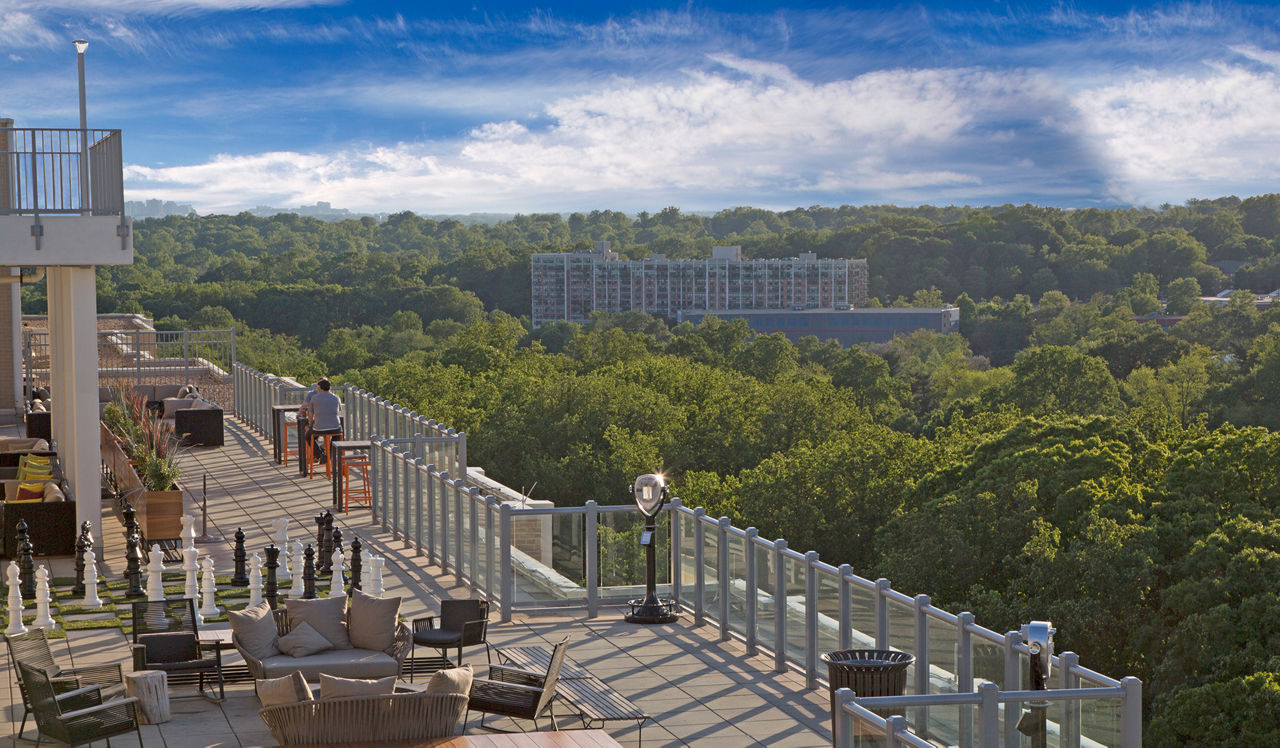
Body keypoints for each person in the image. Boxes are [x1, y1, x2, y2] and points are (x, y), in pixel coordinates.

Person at [301, 378, 342, 473]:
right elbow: (338, 412)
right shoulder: (336, 398)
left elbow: (310, 415)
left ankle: (319, 454)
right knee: (338, 433)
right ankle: (331, 453)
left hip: (319, 428)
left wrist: (310, 425)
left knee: (308, 436)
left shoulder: (314, 398)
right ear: (329, 388)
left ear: (319, 388)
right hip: (335, 427)